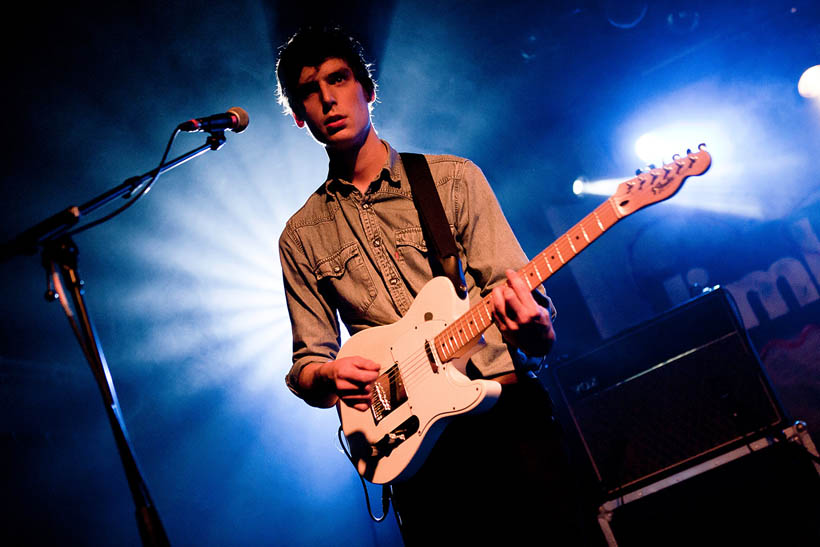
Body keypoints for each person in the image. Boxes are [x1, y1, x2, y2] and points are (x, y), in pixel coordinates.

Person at [276, 26, 586, 545]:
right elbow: (306, 366)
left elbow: (532, 328)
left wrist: (535, 327)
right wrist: (331, 373)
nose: (328, 98)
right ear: (299, 115)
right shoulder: (300, 237)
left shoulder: (452, 180)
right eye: (310, 91)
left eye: (339, 79)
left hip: (508, 424)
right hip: (419, 461)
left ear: (367, 90)